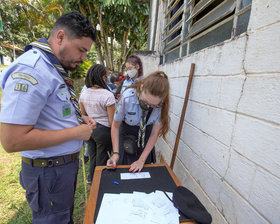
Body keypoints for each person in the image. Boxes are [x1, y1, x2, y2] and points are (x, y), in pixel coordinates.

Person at [0, 11, 96, 223]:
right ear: (60, 37)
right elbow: (12, 140)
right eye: (81, 50)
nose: (83, 58)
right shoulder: (33, 70)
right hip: (48, 173)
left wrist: (80, 121)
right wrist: (76, 132)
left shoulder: (51, 68)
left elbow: (52, 115)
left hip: (59, 170)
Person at [107, 71, 170, 172]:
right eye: (145, 102)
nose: (148, 107)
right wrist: (115, 153)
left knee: (144, 172)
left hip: (146, 139)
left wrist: (141, 160)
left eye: (153, 105)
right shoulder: (126, 98)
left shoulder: (161, 105)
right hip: (127, 136)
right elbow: (115, 126)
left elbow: (154, 134)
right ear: (141, 87)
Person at [79, 64, 115, 183]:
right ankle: (100, 181)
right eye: (107, 76)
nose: (108, 78)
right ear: (103, 77)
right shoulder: (107, 95)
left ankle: (91, 178)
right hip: (103, 130)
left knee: (92, 155)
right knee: (102, 157)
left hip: (89, 129)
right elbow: (112, 121)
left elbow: (83, 115)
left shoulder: (84, 93)